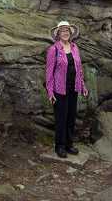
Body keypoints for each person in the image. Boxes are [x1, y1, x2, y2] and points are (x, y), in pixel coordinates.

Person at [45, 19, 88, 158]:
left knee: (71, 117)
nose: (65, 33)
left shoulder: (75, 48)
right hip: (59, 90)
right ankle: (60, 146)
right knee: (61, 119)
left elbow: (79, 69)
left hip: (73, 88)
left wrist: (83, 86)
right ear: (58, 34)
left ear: (70, 33)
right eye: (62, 31)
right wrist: (50, 92)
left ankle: (69, 144)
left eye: (67, 31)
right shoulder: (54, 49)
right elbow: (49, 73)